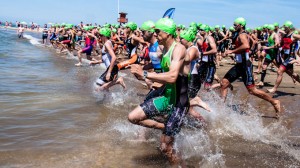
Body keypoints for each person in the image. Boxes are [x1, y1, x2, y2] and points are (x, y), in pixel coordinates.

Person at [128, 18, 188, 166]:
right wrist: (145, 77)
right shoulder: (164, 49)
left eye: (157, 32)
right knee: (133, 117)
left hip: (178, 103)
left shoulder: (178, 48)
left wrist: (145, 74)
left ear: (167, 33)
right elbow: (163, 77)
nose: (155, 34)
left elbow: (173, 76)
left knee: (165, 148)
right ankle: (165, 126)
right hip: (166, 98)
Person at [221, 17, 281, 118]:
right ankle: (221, 107)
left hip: (245, 65)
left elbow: (245, 46)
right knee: (224, 83)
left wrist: (231, 51)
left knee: (252, 90)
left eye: (235, 25)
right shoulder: (242, 34)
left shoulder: (242, 35)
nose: (234, 26)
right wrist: (251, 51)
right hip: (239, 65)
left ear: (241, 25)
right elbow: (253, 43)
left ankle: (274, 101)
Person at [267, 21, 300, 93]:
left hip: (291, 57)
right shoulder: (285, 35)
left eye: (286, 27)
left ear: (289, 28)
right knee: (292, 74)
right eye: (284, 27)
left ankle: (274, 89)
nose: (284, 29)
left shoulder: (293, 35)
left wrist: (297, 58)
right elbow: (280, 44)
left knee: (280, 71)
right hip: (285, 57)